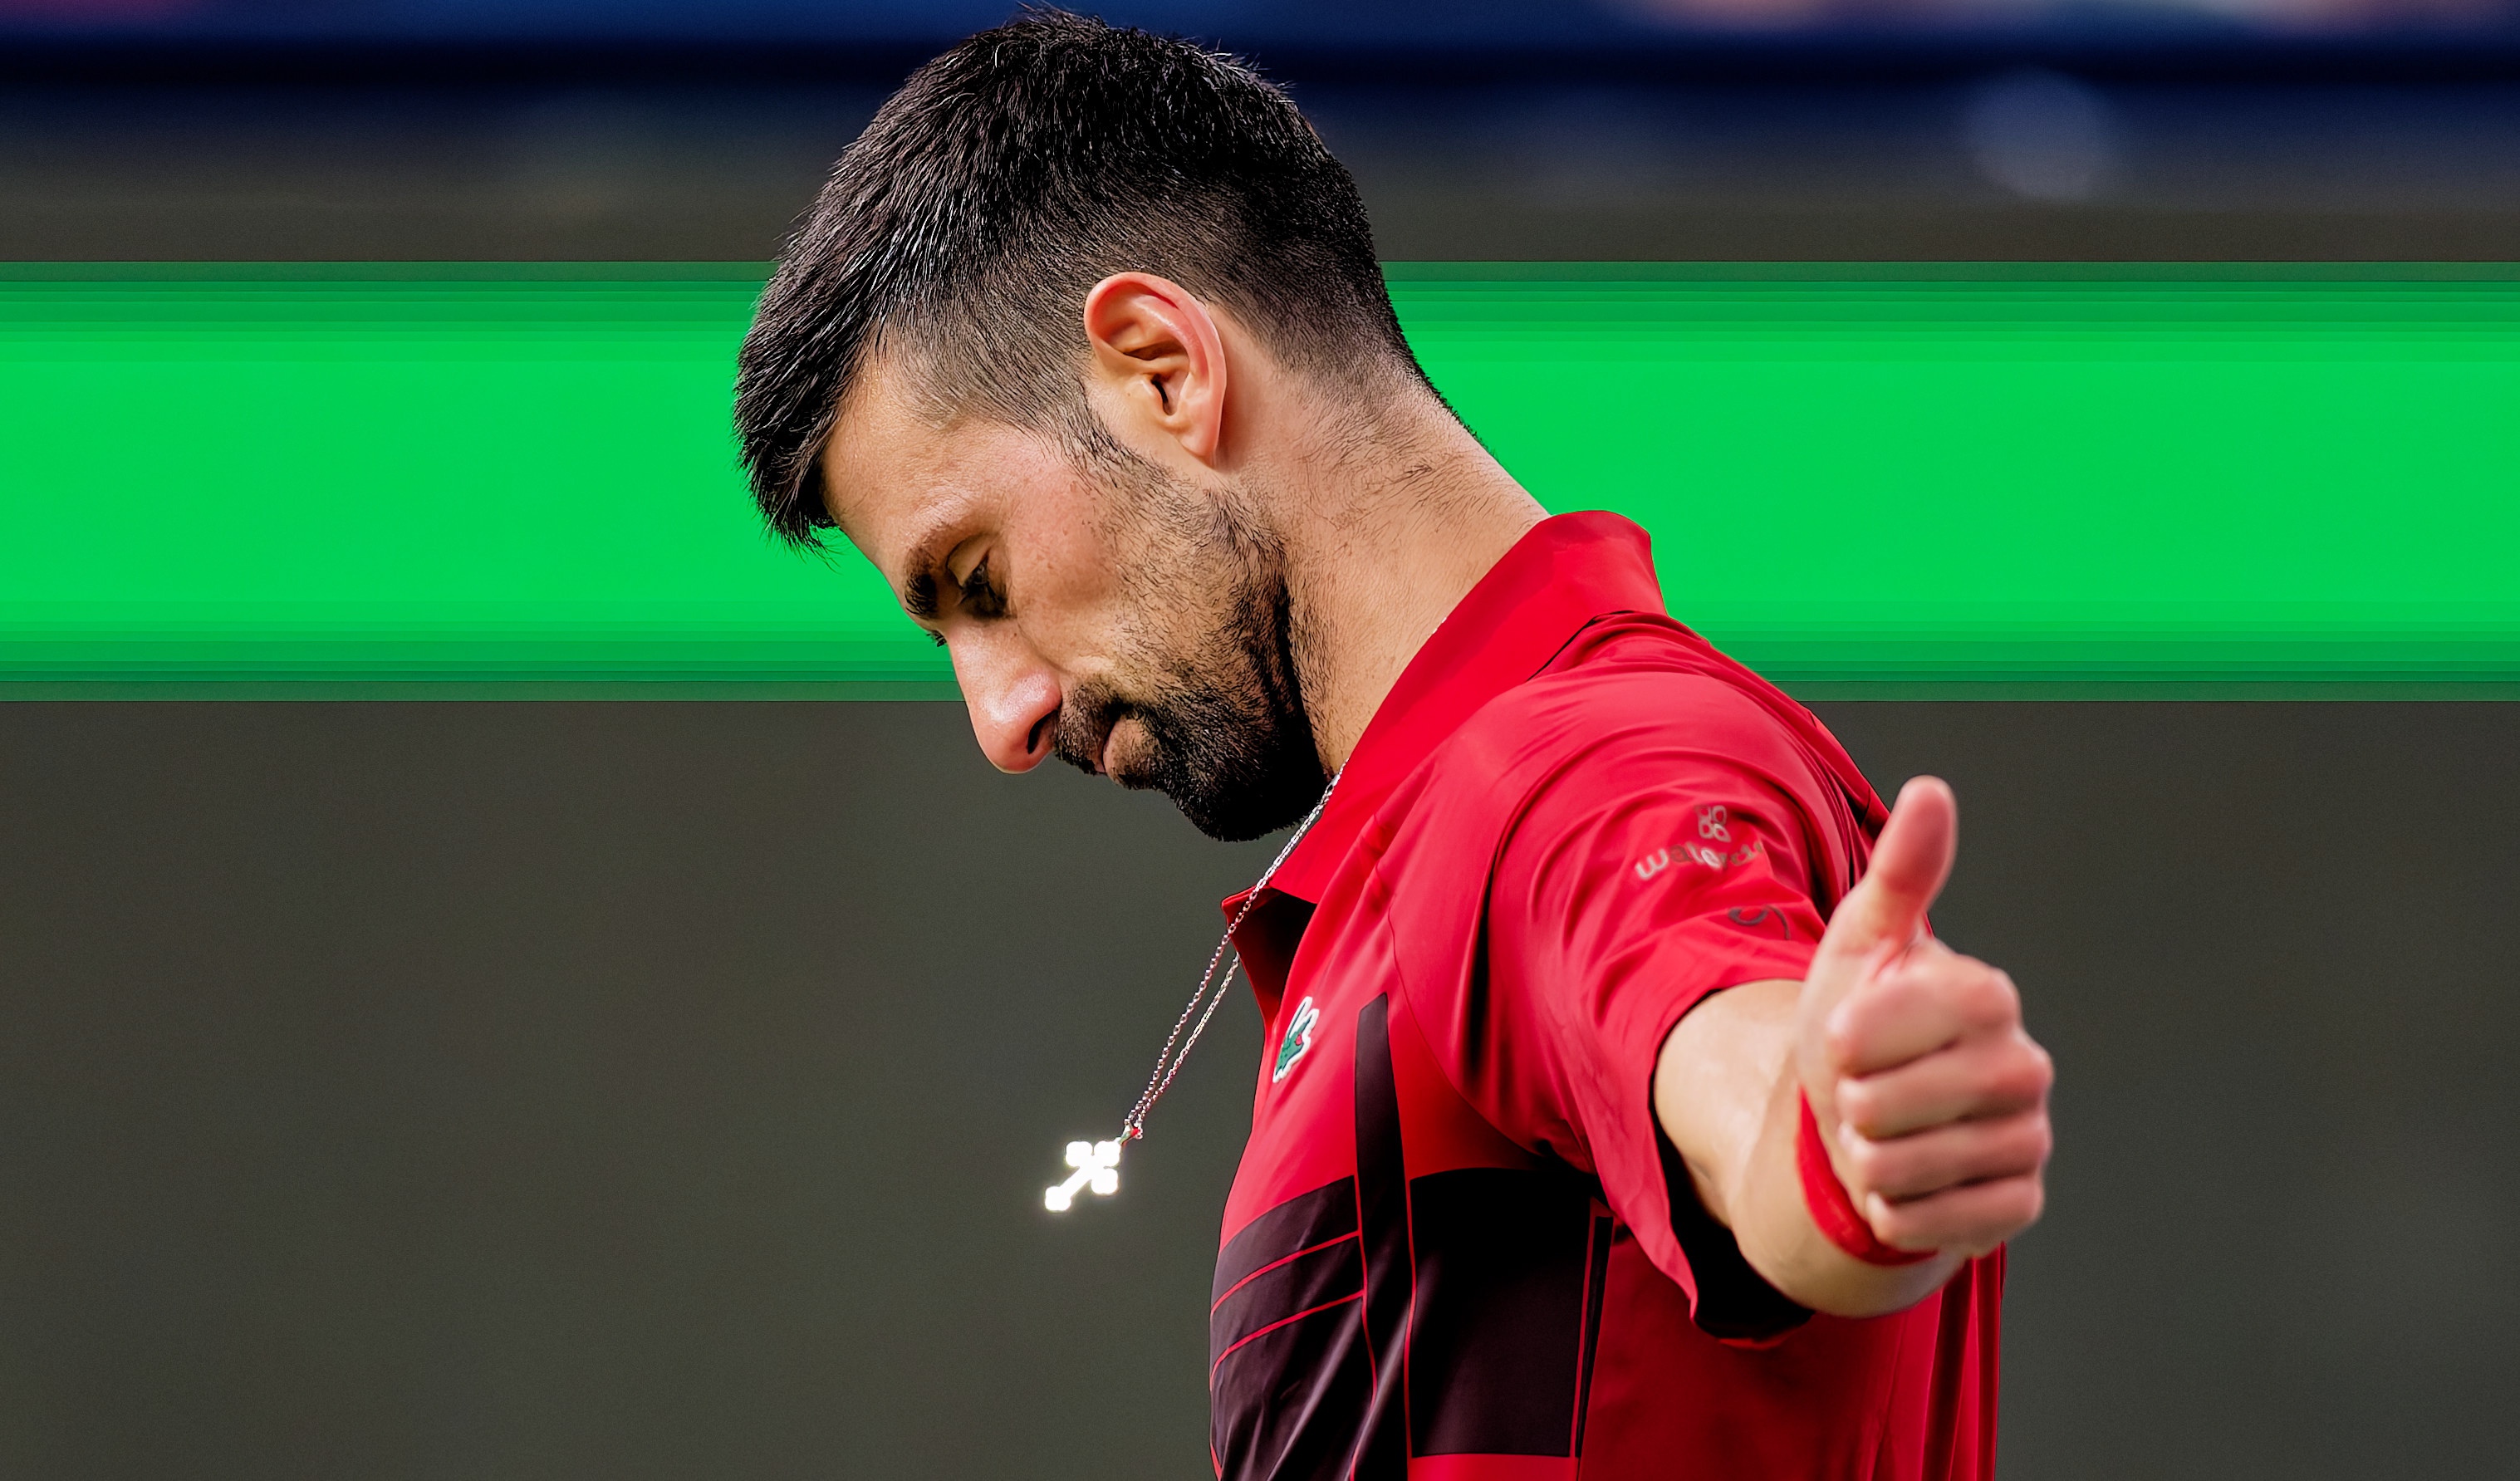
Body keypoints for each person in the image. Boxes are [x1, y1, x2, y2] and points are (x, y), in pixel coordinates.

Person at [733, 12, 2053, 1478]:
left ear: (1161, 368)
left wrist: (1833, 1137)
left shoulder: (1565, 771)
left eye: (976, 582)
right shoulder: (1442, 836)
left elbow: (1736, 1067)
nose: (1000, 721)